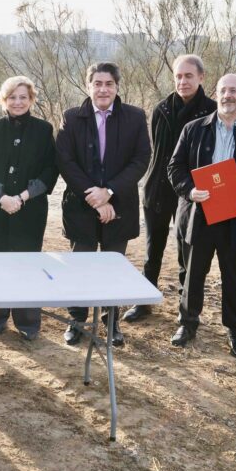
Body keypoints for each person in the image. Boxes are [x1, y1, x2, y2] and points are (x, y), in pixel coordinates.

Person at [167, 74, 236, 357]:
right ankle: (187, 324)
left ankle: (234, 331)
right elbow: (174, 167)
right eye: (223, 90)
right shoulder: (194, 129)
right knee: (193, 274)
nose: (228, 95)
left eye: (234, 91)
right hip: (200, 215)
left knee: (233, 277)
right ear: (216, 94)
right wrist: (189, 191)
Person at [56, 62, 150, 347]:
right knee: (80, 267)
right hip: (81, 206)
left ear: (117, 86)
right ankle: (76, 322)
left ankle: (112, 324)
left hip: (119, 207)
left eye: (108, 83)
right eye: (97, 83)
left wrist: (108, 192)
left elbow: (140, 160)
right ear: (88, 86)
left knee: (113, 268)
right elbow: (66, 161)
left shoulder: (135, 117)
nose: (103, 89)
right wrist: (94, 196)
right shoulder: (72, 118)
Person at [124, 54, 216, 323]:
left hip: (192, 193)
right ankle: (144, 301)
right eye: (178, 76)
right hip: (158, 189)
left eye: (189, 76)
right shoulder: (161, 108)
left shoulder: (211, 111)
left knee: (187, 252)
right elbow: (159, 152)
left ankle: (186, 309)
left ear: (201, 77)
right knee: (153, 250)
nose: (183, 81)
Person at [0, 76, 58, 340]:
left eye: (23, 97)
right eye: (12, 97)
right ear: (3, 101)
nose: (18, 102)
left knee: (27, 263)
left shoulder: (44, 130)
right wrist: (1, 197)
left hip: (30, 209)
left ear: (31, 99)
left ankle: (27, 321)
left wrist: (22, 197)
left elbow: (50, 170)